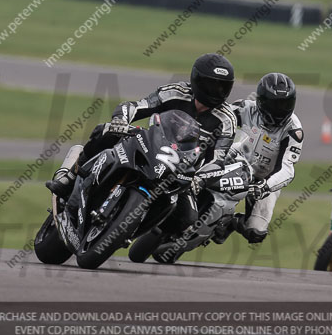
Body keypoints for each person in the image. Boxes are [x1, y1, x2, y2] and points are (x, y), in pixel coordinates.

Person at [46, 53, 237, 234]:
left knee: (187, 219)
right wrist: (120, 120)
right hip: (151, 148)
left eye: (223, 87)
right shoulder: (175, 92)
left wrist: (200, 178)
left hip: (182, 173)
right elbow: (136, 106)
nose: (217, 91)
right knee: (105, 132)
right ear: (197, 80)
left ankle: (134, 230)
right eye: (211, 85)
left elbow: (218, 159)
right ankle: (70, 178)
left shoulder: (227, 120)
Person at [213, 72, 304, 245]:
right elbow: (218, 118)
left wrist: (265, 186)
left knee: (255, 233)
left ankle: (232, 222)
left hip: (265, 180)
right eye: (275, 104)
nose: (280, 110)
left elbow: (287, 168)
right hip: (237, 160)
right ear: (261, 101)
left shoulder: (294, 130)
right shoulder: (245, 108)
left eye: (285, 104)